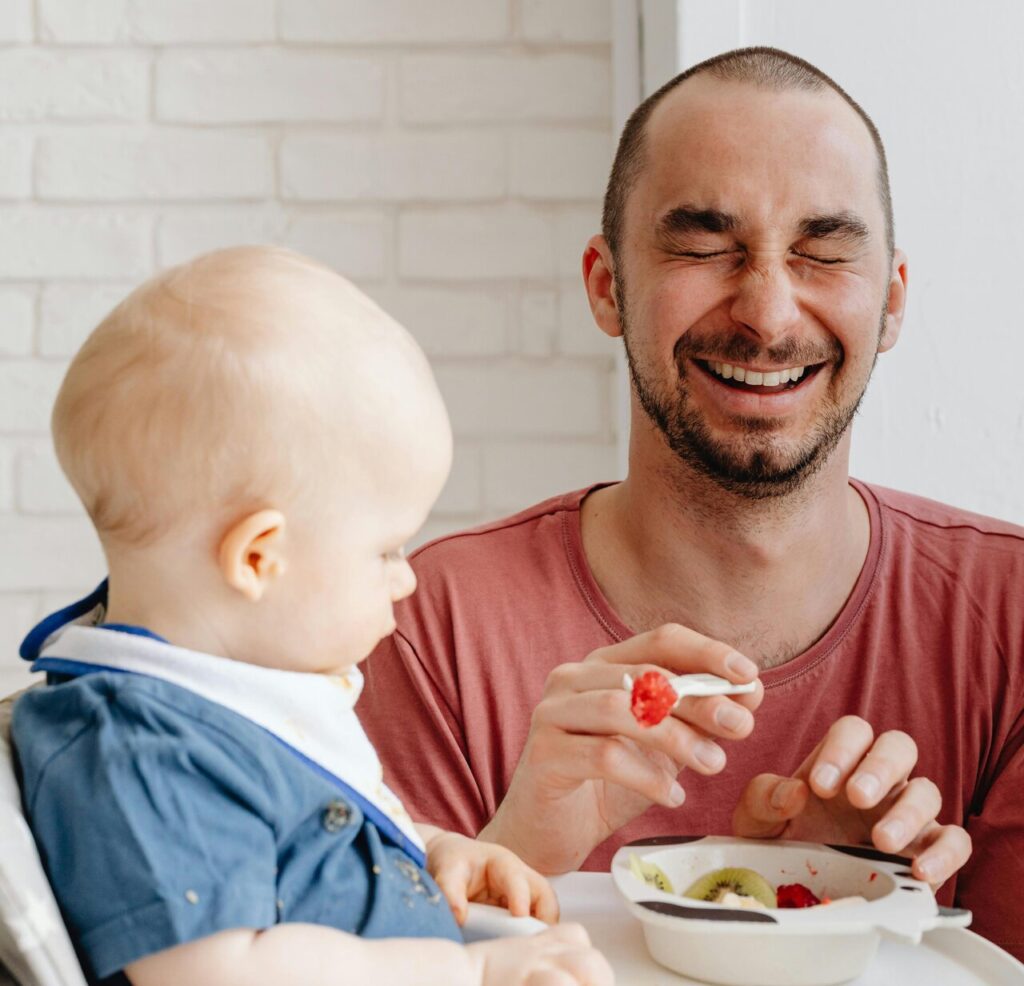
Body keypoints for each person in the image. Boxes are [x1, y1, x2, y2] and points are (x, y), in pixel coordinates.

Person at [360, 47, 1024, 959]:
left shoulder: (1012, 621)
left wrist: (817, 919)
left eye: (824, 250)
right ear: (606, 285)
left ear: (893, 301)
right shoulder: (423, 629)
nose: (771, 314)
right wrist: (516, 859)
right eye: (706, 246)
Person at [11, 246, 615, 986]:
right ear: (260, 558)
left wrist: (425, 852)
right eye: (387, 550)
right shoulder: (141, 749)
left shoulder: (226, 707)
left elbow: (300, 866)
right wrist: (472, 974)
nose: (405, 579)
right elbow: (225, 971)